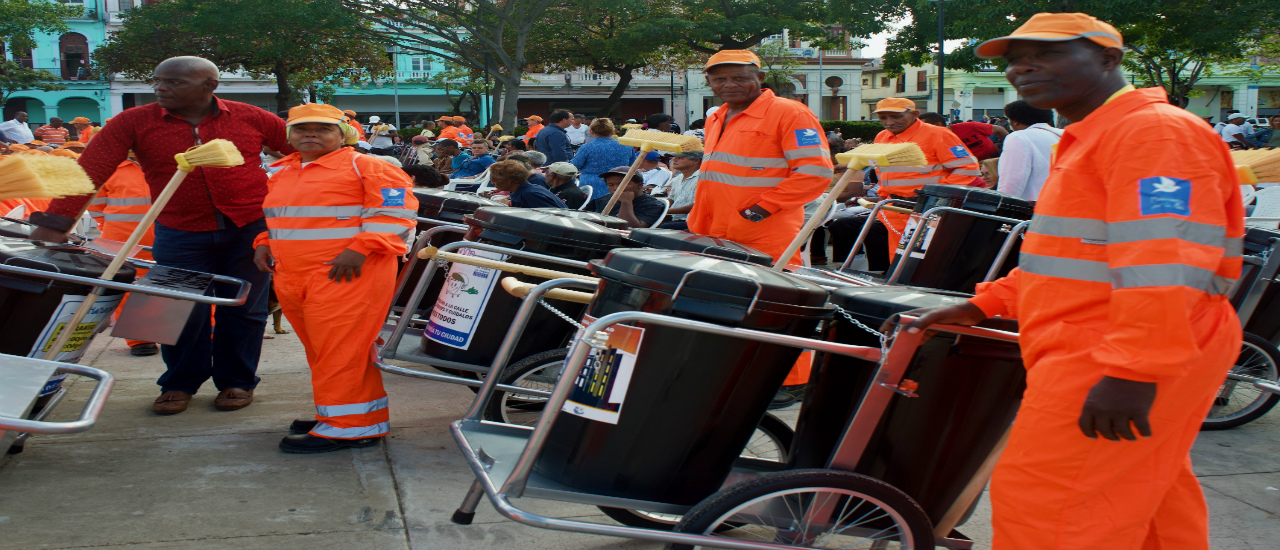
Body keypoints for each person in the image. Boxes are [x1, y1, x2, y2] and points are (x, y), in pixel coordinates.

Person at [906, 13, 1243, 550]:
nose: (1023, 67)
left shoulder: (1152, 133)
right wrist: (985, 303)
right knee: (1144, 493)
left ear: (1109, 58)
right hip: (1099, 341)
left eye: (1049, 53)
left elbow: (1167, 262)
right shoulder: (1094, 135)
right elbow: (1069, 257)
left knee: (1052, 509)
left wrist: (1134, 370)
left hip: (1114, 349)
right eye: (1014, 59)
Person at [28, 56, 285, 415]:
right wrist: (55, 222)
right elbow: (91, 170)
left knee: (244, 309)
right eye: (158, 81)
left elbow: (301, 154)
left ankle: (236, 381)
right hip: (179, 230)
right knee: (172, 310)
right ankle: (179, 383)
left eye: (175, 82)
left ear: (209, 86)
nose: (161, 88)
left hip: (250, 230)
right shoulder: (133, 121)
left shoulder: (251, 117)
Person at [253, 103, 416, 453]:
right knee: (323, 350)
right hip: (294, 275)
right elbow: (276, 219)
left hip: (350, 275)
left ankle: (350, 427)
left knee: (342, 350)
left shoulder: (367, 166)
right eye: (301, 129)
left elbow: (396, 212)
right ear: (289, 136)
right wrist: (263, 243)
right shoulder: (282, 172)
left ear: (343, 134)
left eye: (322, 129)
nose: (310, 134)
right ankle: (341, 415)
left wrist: (360, 248)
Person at [687, 49, 833, 267]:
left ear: (760, 78)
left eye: (740, 78)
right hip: (710, 226)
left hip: (762, 229)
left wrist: (761, 210)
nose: (729, 85)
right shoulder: (716, 118)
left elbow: (816, 172)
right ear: (709, 82)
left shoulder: (792, 113)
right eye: (720, 79)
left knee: (770, 294)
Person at [869, 97, 979, 260]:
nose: (889, 122)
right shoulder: (882, 137)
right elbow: (883, 170)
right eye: (883, 118)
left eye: (896, 116)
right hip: (895, 208)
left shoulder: (939, 134)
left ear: (915, 114)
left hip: (928, 209)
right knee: (898, 260)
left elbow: (968, 168)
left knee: (922, 262)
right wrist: (883, 195)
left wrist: (933, 195)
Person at [997, 99, 1062, 200]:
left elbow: (1012, 181)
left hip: (1034, 208)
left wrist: (1001, 206)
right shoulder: (1064, 135)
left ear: (1015, 122)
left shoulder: (1019, 137)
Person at [571, 117, 637, 197]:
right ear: (613, 131)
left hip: (591, 186)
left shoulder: (586, 147)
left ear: (591, 131)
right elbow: (633, 166)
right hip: (619, 184)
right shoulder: (627, 146)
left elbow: (573, 166)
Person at [589, 166, 665, 228]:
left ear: (639, 185)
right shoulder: (603, 200)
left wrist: (626, 202)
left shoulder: (652, 204)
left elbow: (630, 228)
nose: (616, 188)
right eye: (611, 185)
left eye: (622, 184)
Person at [488, 160, 566, 209]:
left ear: (508, 181)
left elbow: (551, 218)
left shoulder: (530, 194)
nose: (492, 183)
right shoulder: (523, 190)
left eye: (494, 180)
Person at [656, 151, 701, 230]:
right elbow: (671, 199)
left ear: (695, 161)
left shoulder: (702, 179)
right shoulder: (677, 178)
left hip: (691, 222)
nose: (674, 160)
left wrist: (667, 211)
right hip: (675, 219)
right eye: (674, 158)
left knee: (658, 229)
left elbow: (697, 206)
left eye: (680, 158)